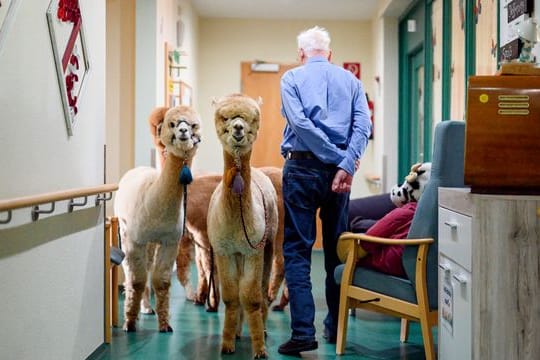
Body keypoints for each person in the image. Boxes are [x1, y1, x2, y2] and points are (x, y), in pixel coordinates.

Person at [278, 26, 372, 356]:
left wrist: (334, 158)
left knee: (297, 251)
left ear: (301, 54)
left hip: (302, 169)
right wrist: (344, 163)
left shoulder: (291, 79)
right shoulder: (352, 81)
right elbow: (364, 125)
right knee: (336, 250)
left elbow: (300, 124)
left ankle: (303, 334)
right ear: (330, 54)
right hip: (340, 177)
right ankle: (335, 328)